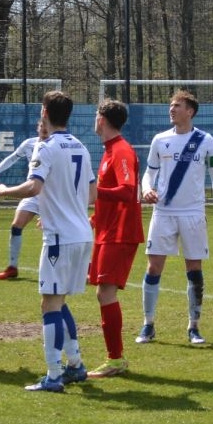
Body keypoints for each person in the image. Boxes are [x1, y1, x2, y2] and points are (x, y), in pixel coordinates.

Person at [0, 95, 94, 393]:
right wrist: (59, 207)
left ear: (45, 113)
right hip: (82, 234)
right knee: (59, 301)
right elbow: (92, 196)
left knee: (49, 303)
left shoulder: (46, 147)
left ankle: (53, 375)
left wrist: (4, 190)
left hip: (61, 237)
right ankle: (75, 365)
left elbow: (34, 186)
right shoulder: (82, 147)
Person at [137, 89, 213, 345]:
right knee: (153, 266)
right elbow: (149, 173)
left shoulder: (206, 141)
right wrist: (147, 189)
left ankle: (194, 326)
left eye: (177, 105)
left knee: (194, 269)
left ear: (190, 111)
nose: (172, 109)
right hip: (163, 212)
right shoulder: (159, 140)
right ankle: (148, 324)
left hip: (193, 213)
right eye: (171, 105)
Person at [87, 99, 143, 378]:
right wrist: (95, 217)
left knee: (104, 292)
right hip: (108, 230)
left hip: (121, 232)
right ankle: (114, 358)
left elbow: (126, 189)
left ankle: (116, 359)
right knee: (100, 290)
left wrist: (97, 194)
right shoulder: (109, 151)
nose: (94, 120)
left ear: (103, 119)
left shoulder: (120, 151)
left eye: (96, 115)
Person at [0, 119, 46, 280]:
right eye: (41, 126)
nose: (44, 129)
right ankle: (12, 267)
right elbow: (12, 158)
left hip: (52, 195)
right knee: (16, 225)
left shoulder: (54, 146)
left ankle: (86, 266)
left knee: (56, 232)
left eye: (46, 126)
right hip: (33, 193)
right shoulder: (29, 144)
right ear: (38, 127)